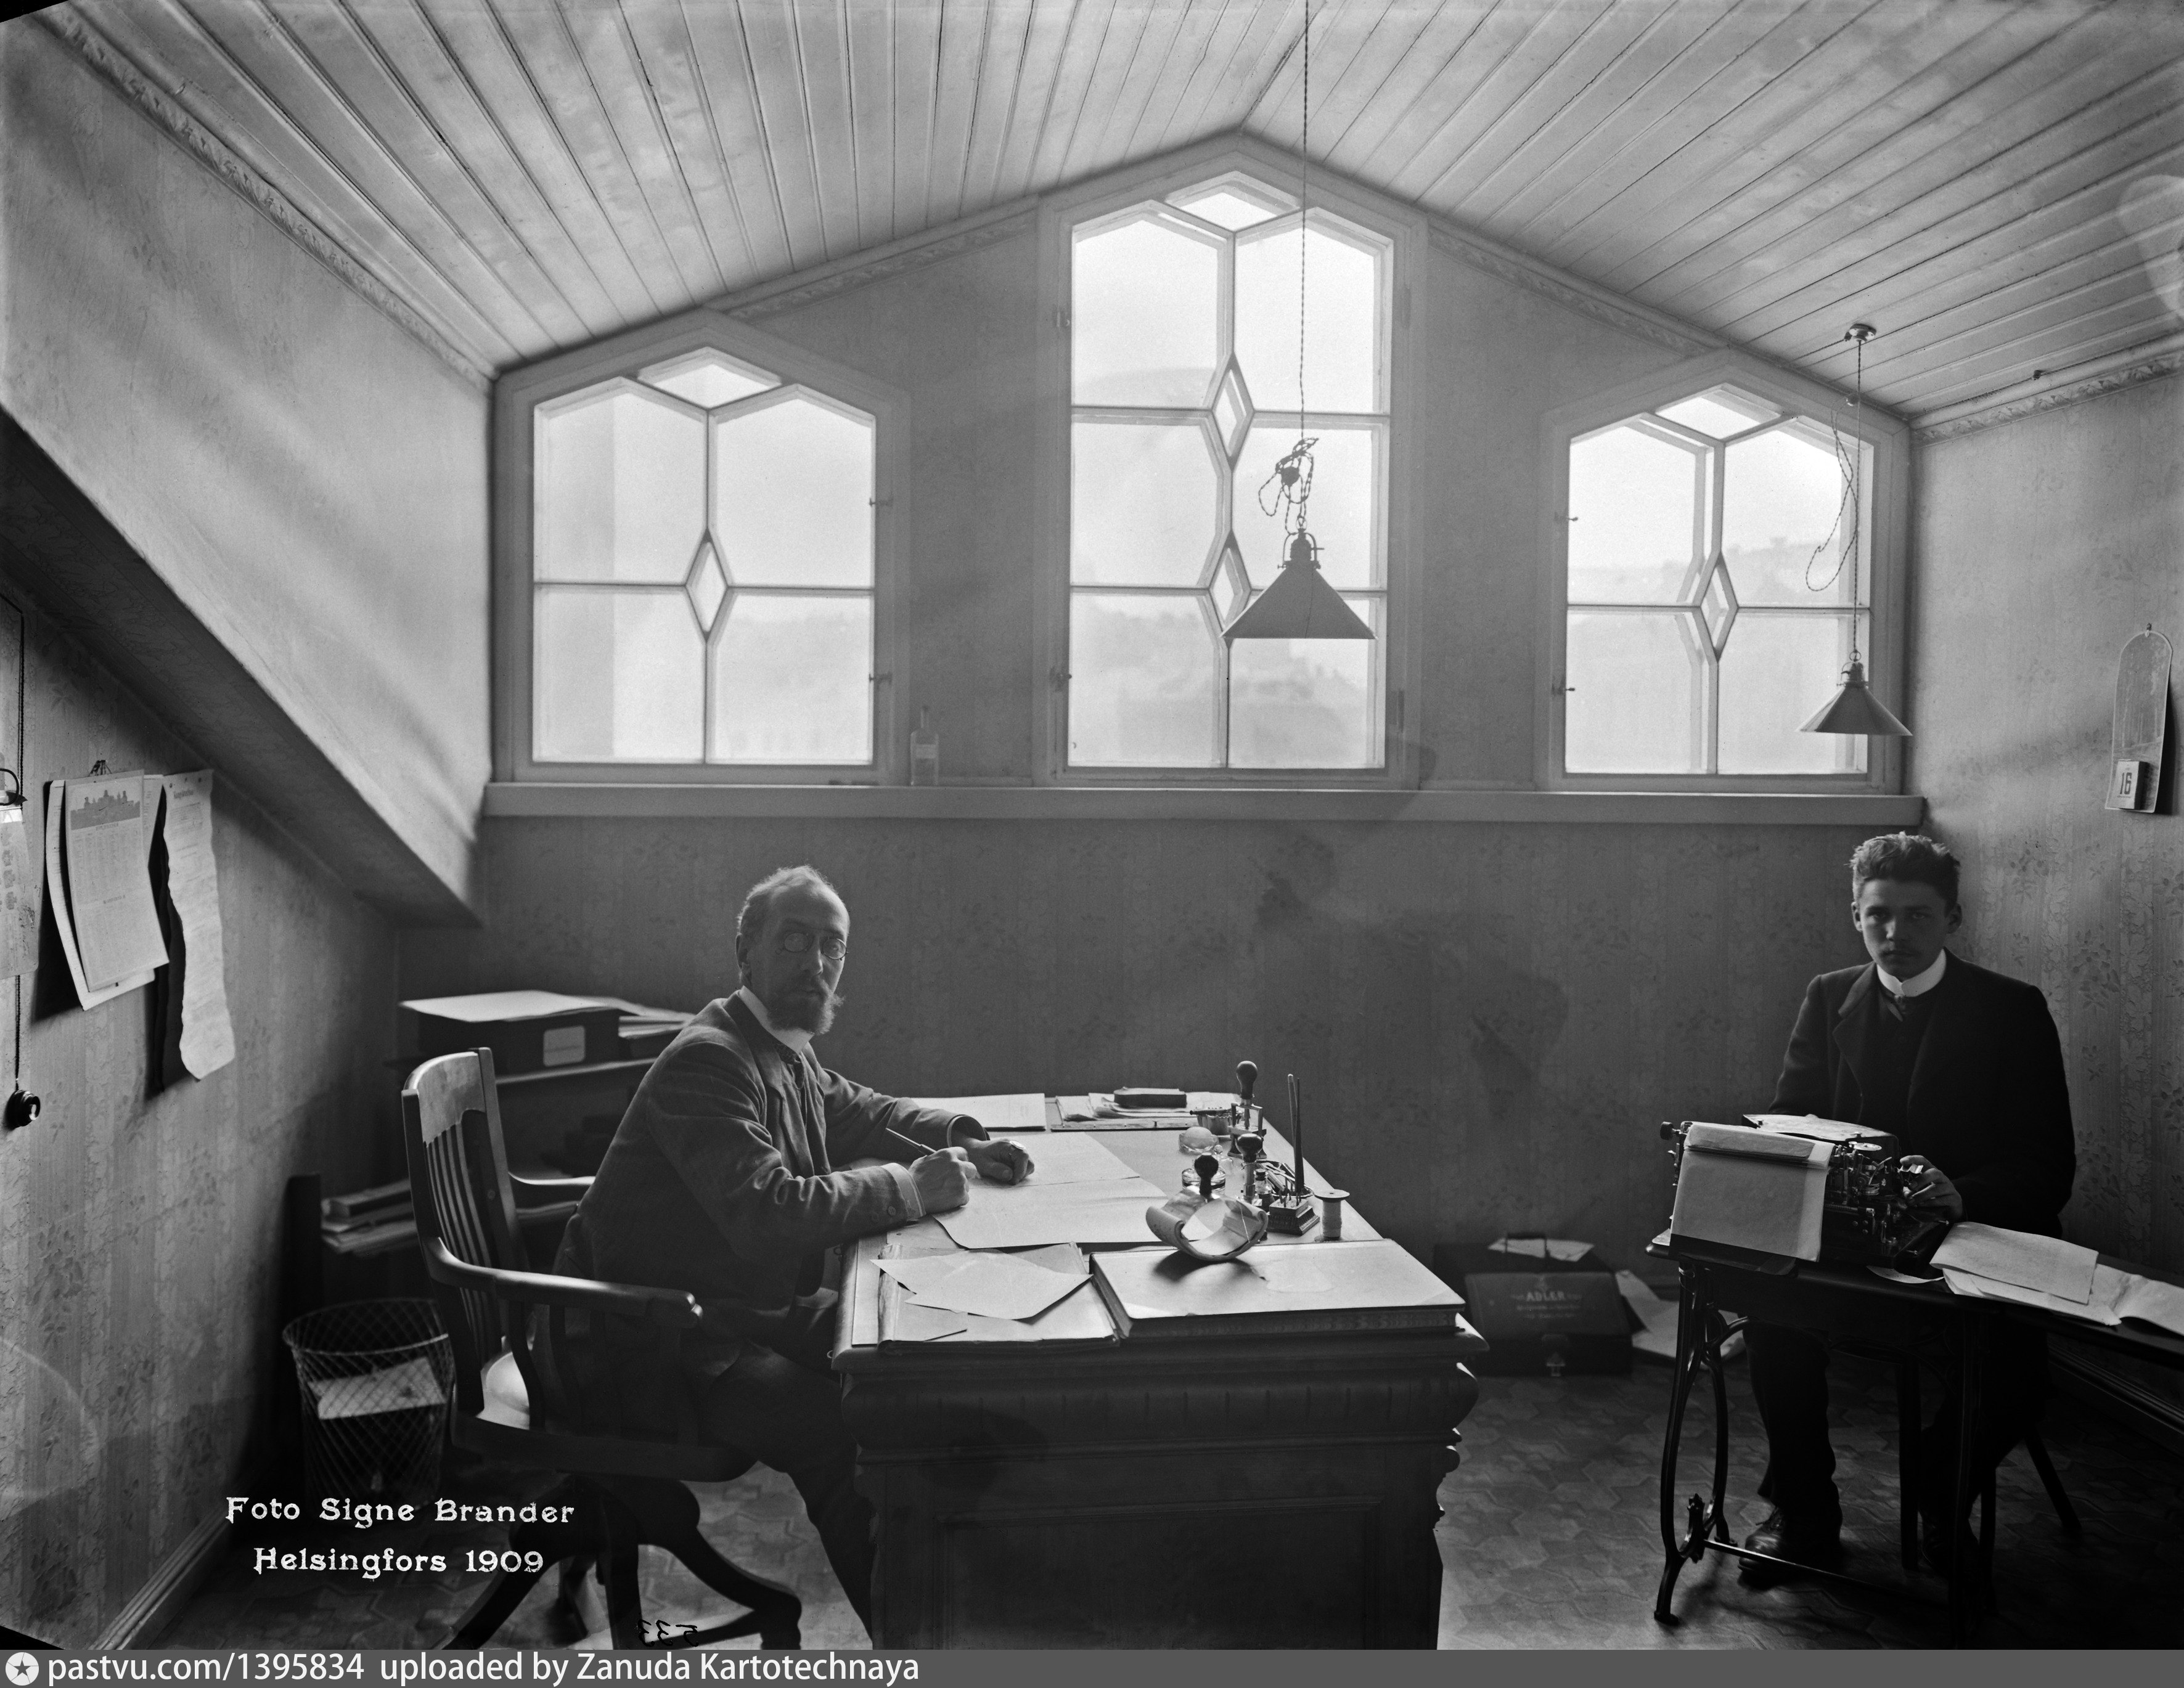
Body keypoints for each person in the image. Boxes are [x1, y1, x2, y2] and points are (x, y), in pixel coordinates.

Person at [547, 864, 1033, 1629]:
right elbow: (767, 1213)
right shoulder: (710, 1057)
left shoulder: (780, 1044)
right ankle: (909, 1643)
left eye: (832, 947)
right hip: (652, 1344)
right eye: (794, 941)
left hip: (729, 1311)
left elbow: (864, 1110)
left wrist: (965, 1138)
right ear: (746, 951)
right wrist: (910, 1189)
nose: (816, 963)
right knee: (845, 1435)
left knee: (909, 1364)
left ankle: (965, 1609)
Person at [1739, 833, 2075, 1586]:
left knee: (2019, 1375)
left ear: (1953, 918)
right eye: (1878, 916)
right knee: (1772, 1323)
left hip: (1973, 1235)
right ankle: (1805, 1513)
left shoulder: (2012, 1009)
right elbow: (1792, 1121)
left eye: (1918, 916)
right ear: (1856, 917)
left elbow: (2047, 1165)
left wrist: (1964, 1194)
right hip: (1850, 1240)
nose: (1896, 934)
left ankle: (1940, 1492)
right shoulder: (1829, 994)